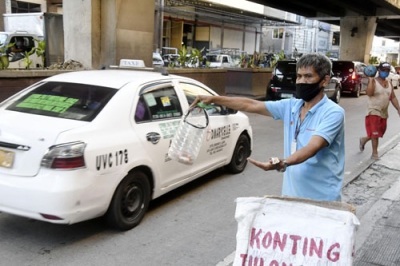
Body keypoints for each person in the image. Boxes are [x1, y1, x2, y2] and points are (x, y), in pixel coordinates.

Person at [190, 53, 345, 202]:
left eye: (308, 76)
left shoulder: (333, 113)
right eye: (299, 76)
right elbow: (250, 104)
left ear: (324, 81)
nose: (301, 81)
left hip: (323, 201)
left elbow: (312, 147)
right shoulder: (291, 106)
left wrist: (284, 162)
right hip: (291, 197)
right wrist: (214, 99)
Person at [359, 62, 400, 159]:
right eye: (383, 70)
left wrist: (398, 108)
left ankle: (364, 139)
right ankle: (374, 153)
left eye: (387, 71)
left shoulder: (389, 83)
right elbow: (369, 93)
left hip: (383, 112)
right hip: (373, 111)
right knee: (375, 132)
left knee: (380, 131)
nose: (385, 72)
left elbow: (393, 97)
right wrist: (370, 80)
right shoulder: (373, 81)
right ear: (379, 71)